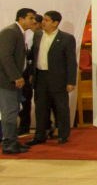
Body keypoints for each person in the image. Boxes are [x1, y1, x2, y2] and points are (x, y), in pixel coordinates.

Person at [27, 11, 77, 146]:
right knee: (41, 108)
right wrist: (32, 74)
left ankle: (63, 135)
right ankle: (39, 135)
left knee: (61, 108)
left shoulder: (66, 38)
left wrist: (71, 81)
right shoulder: (38, 35)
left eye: (47, 20)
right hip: (40, 77)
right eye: (43, 19)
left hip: (58, 78)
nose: (43, 22)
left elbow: (71, 61)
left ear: (55, 23)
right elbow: (33, 56)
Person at [1, 8, 35, 155]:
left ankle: (13, 141)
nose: (34, 21)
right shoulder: (10, 32)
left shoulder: (18, 32)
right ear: (21, 18)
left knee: (14, 111)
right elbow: (5, 57)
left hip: (13, 80)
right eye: (31, 18)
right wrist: (16, 76)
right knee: (9, 112)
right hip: (6, 81)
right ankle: (8, 144)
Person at [17, 13, 40, 135]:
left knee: (27, 101)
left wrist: (31, 73)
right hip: (21, 72)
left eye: (35, 22)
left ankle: (26, 126)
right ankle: (22, 126)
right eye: (31, 20)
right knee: (21, 100)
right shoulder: (20, 33)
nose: (33, 24)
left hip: (31, 73)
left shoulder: (38, 36)